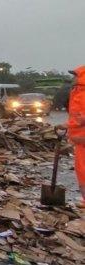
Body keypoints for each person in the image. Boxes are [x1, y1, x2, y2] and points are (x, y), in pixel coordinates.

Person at [61, 66, 85, 207]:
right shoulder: (77, 92)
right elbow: (76, 115)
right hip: (79, 139)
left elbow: (81, 118)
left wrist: (69, 125)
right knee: (81, 171)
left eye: (75, 75)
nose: (73, 78)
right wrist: (67, 124)